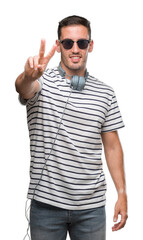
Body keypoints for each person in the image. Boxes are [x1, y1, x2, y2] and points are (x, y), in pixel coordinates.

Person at [15, 15, 128, 240]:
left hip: (92, 208)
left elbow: (113, 147)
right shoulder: (42, 82)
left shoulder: (105, 93)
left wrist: (122, 193)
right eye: (68, 43)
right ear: (58, 46)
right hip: (46, 205)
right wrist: (28, 76)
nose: (75, 49)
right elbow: (23, 88)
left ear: (90, 46)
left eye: (81, 43)